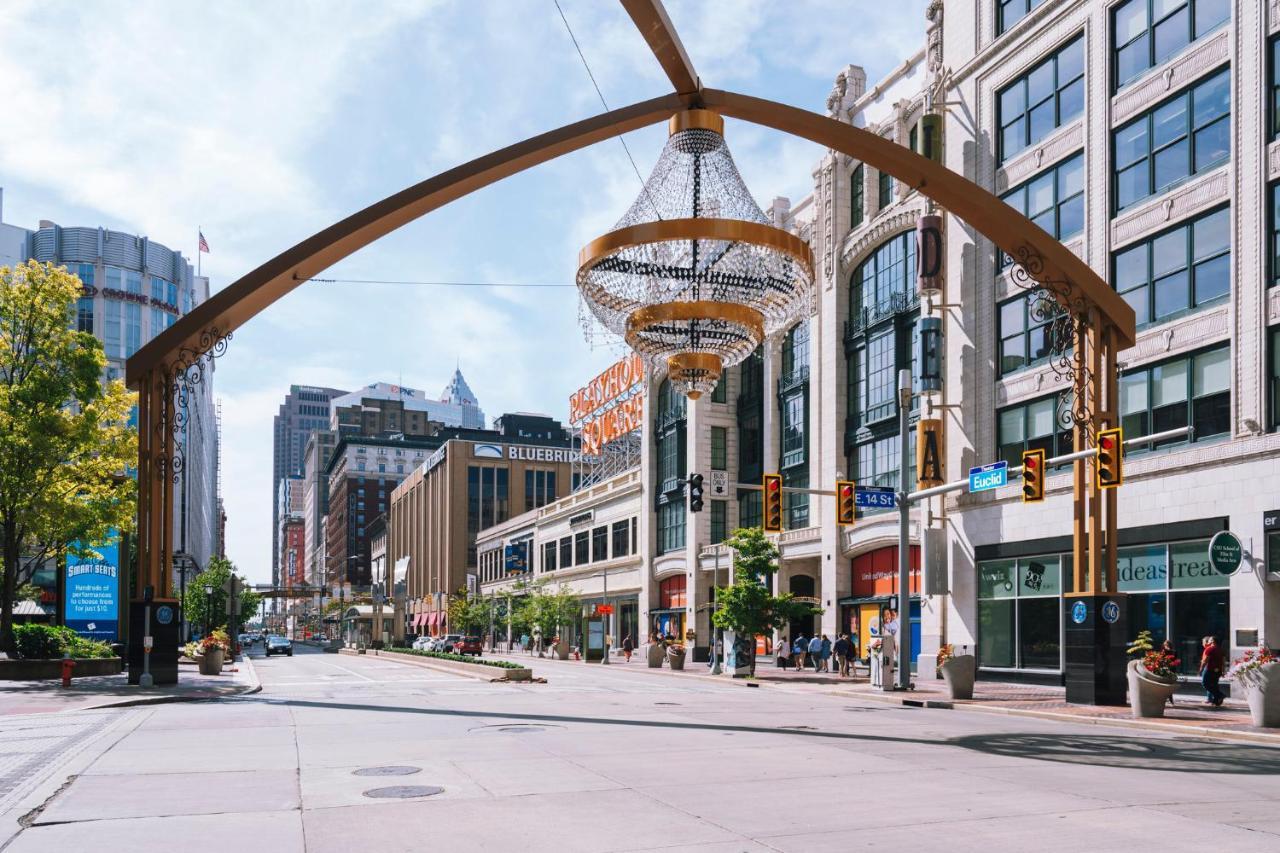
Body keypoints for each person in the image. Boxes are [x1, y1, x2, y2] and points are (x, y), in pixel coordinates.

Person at [1200, 635, 1226, 707]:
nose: (1208, 641)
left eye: (1210, 640)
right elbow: (1223, 662)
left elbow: (1205, 661)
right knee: (1214, 685)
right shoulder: (1221, 650)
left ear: (1212, 641)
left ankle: (1220, 695)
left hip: (1209, 669)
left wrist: (1201, 669)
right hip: (1218, 671)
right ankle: (1217, 701)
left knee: (1205, 683)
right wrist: (1223, 671)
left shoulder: (1210, 649)